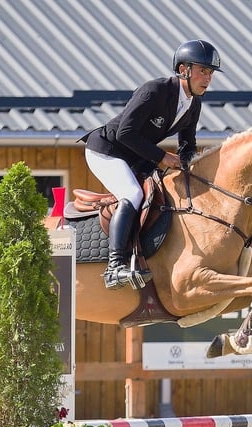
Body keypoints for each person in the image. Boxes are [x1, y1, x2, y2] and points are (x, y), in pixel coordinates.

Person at [83, 39, 222, 290]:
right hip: (106, 149)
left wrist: (192, 165)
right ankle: (114, 267)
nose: (208, 78)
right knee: (132, 193)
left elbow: (187, 144)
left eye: (210, 73)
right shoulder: (154, 90)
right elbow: (125, 132)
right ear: (183, 70)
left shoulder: (194, 103)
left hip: (136, 155)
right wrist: (161, 157)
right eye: (203, 70)